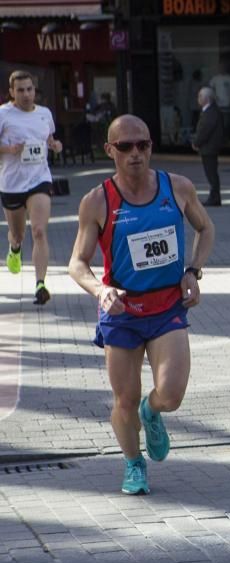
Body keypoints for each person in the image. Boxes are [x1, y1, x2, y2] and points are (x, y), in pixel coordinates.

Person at [68, 115, 216, 495]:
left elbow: (206, 228)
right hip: (122, 313)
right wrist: (100, 292)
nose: (135, 153)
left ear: (151, 146)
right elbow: (77, 264)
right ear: (109, 151)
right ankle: (134, 464)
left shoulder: (177, 187)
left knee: (171, 394)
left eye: (143, 145)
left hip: (167, 307)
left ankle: (153, 413)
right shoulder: (98, 200)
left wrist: (193, 272)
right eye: (125, 147)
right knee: (125, 399)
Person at [0, 70, 63, 305]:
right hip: (12, 183)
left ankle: (40, 284)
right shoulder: (3, 114)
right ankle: (15, 248)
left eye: (30, 89)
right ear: (11, 92)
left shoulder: (44, 113)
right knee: (18, 234)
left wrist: (54, 145)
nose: (26, 95)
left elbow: (49, 139)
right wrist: (9, 149)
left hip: (39, 179)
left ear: (34, 90)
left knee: (38, 230)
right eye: (21, 90)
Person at [192, 87, 224, 206]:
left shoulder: (211, 112)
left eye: (200, 96)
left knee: (211, 173)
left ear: (206, 98)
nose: (198, 99)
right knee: (210, 173)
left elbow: (205, 130)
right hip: (209, 147)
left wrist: (196, 142)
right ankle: (214, 196)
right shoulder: (210, 111)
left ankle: (215, 197)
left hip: (209, 147)